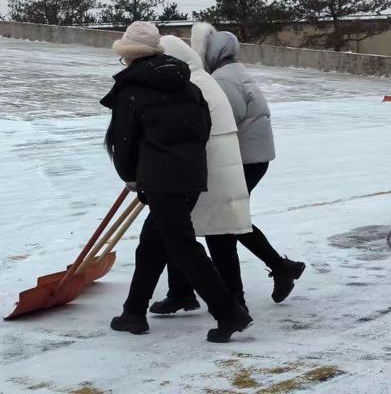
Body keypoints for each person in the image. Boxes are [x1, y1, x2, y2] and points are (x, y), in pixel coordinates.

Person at [100, 22, 252, 343]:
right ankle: (134, 312)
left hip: (160, 180)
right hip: (191, 177)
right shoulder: (187, 83)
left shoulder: (131, 88)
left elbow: (123, 140)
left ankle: (229, 313)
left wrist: (130, 176)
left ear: (129, 55)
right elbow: (204, 125)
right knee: (152, 244)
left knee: (183, 248)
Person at [151, 23, 306, 315]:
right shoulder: (234, 72)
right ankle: (279, 268)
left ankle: (208, 293)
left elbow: (221, 124)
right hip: (252, 158)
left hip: (240, 160)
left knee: (219, 225)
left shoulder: (223, 80)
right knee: (220, 222)